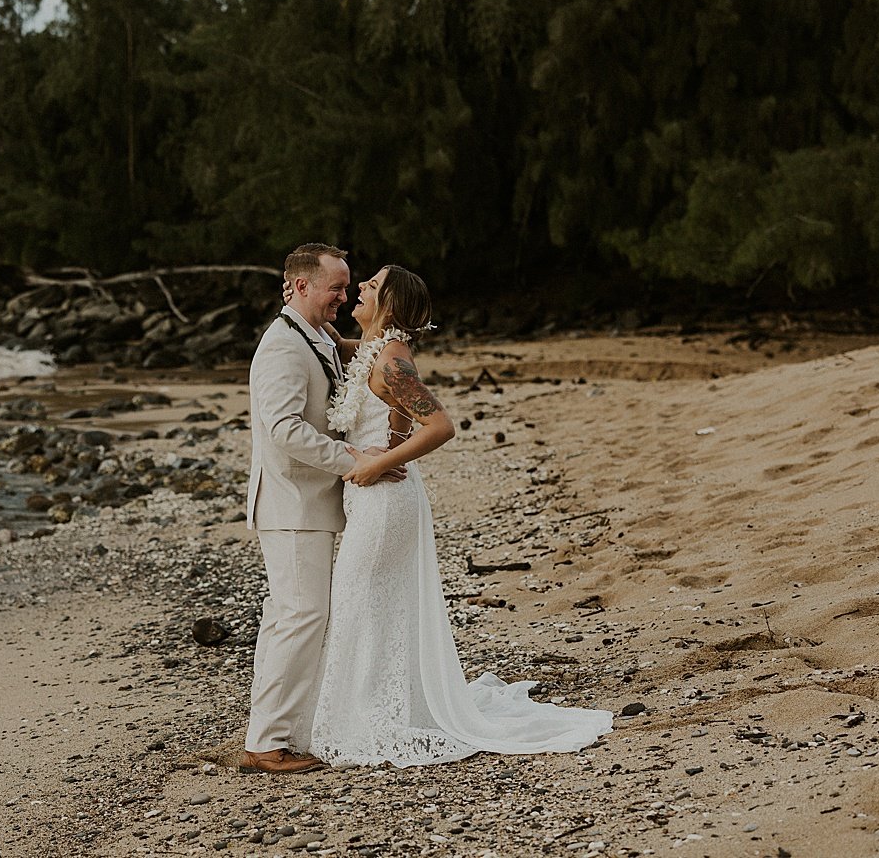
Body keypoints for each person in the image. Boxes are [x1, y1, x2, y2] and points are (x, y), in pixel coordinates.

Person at [308, 264, 613, 767]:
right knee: (367, 604)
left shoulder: (391, 365)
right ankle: (366, 706)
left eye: (371, 286)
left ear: (388, 306)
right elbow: (326, 343)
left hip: (385, 501)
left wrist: (376, 464)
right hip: (372, 500)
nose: (360, 287)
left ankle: (364, 717)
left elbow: (441, 425)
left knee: (358, 600)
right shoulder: (369, 352)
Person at [241, 243, 405, 774]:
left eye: (347, 285)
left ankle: (273, 731)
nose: (343, 295)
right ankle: (266, 743)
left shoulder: (314, 337)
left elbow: (354, 365)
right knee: (302, 615)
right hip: (290, 503)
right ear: (300, 286)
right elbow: (285, 430)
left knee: (288, 617)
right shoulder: (282, 346)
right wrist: (355, 457)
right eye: (335, 286)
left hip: (306, 502)